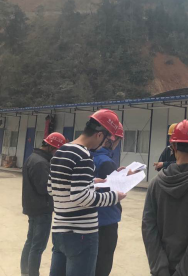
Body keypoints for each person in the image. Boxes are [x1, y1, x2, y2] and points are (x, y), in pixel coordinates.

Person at [48, 110, 126, 276]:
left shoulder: (62, 150)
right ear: (100, 135)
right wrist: (114, 197)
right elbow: (81, 197)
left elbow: (51, 187)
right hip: (81, 234)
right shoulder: (83, 155)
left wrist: (91, 183)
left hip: (59, 229)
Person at [142, 119, 188, 276]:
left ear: (173, 146)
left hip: (163, 268)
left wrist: (160, 267)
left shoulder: (155, 184)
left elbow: (148, 227)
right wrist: (184, 270)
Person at [21, 132, 66, 276]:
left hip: (33, 207)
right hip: (41, 209)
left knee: (30, 242)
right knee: (38, 246)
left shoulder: (33, 158)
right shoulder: (41, 163)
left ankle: (25, 272)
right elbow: (44, 188)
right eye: (58, 150)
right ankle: (32, 273)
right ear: (52, 147)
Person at [92, 122, 131, 276]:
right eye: (117, 141)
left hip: (90, 218)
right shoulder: (106, 161)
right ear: (110, 139)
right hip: (106, 219)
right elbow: (115, 190)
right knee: (103, 260)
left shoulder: (87, 156)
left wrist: (117, 174)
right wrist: (126, 179)